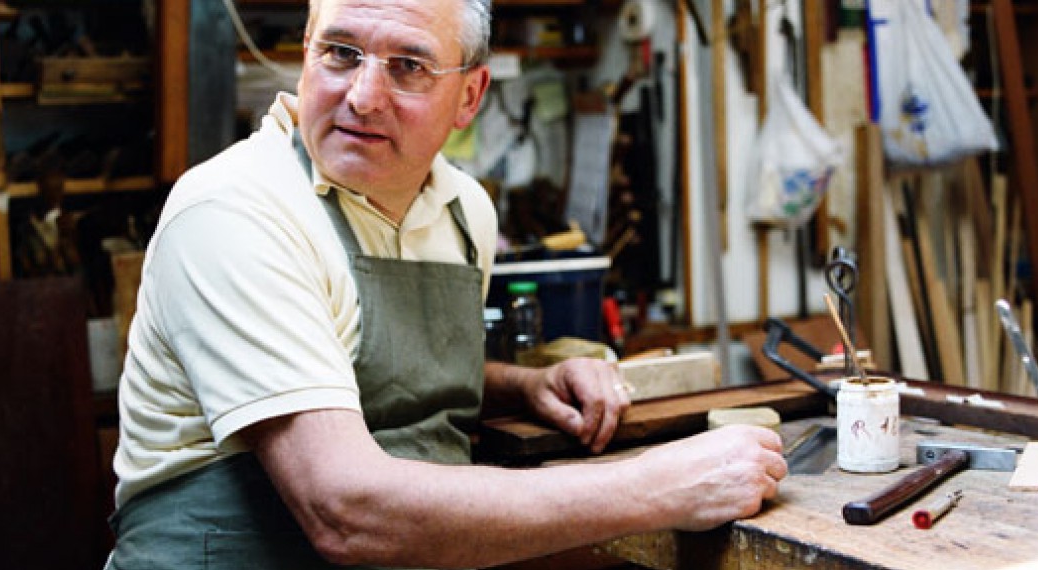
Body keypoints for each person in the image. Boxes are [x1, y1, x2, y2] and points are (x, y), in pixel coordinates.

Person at [105, 0, 787, 568]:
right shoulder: (235, 211)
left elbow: (349, 367)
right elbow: (344, 510)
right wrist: (663, 483)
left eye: (407, 66)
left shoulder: (464, 211)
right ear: (305, 52)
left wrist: (521, 384)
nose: (363, 97)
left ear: (469, 96)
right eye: (340, 53)